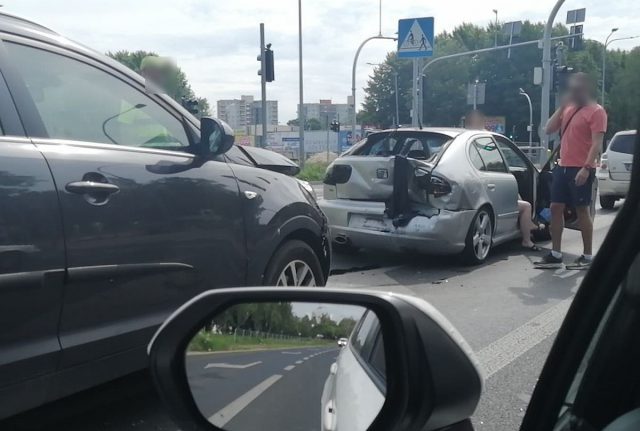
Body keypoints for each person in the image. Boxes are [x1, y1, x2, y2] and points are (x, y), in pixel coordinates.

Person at [535, 73, 607, 269]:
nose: (575, 92)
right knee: (555, 208)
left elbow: (596, 144)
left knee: (582, 210)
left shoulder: (596, 111)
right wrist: (562, 106)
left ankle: (587, 256)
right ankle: (556, 254)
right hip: (563, 166)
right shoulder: (568, 108)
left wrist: (585, 168)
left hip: (581, 168)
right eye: (572, 89)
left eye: (578, 88)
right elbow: (548, 129)